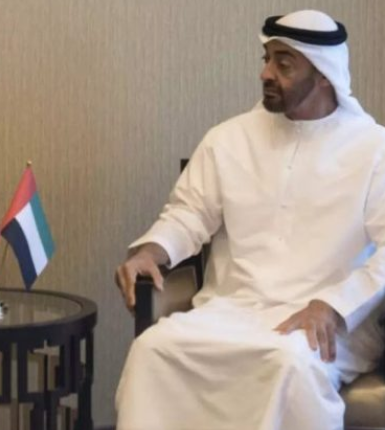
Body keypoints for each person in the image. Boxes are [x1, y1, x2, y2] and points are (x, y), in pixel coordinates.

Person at [114, 10, 385, 430]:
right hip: (232, 307)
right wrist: (152, 250)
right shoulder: (228, 138)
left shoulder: (373, 149)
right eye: (266, 59)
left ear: (324, 74)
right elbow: (189, 213)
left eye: (283, 64)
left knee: (288, 361)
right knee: (154, 349)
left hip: (326, 324)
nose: (265, 73)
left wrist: (333, 307)